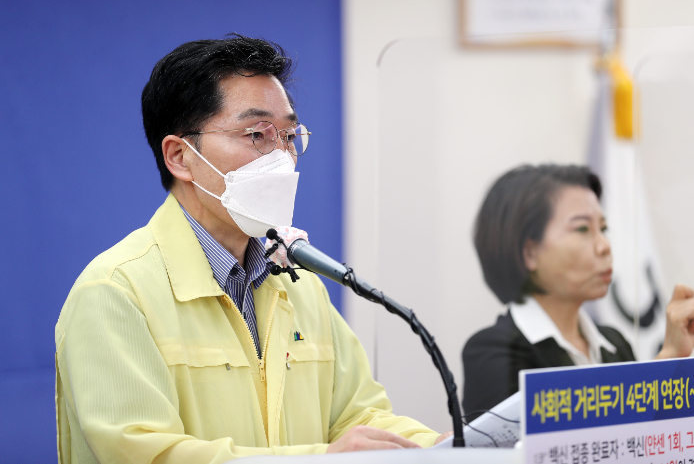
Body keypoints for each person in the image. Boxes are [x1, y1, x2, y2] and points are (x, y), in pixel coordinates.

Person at [55, 35, 448, 464]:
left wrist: (446, 447)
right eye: (257, 134)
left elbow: (359, 417)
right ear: (180, 157)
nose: (282, 157)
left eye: (289, 135)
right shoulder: (115, 292)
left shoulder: (300, 285)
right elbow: (146, 453)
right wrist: (321, 459)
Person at [461, 164, 694, 421]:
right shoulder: (493, 352)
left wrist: (675, 357)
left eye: (603, 229)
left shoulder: (614, 344)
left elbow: (643, 438)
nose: (605, 246)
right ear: (530, 253)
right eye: (582, 229)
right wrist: (667, 358)